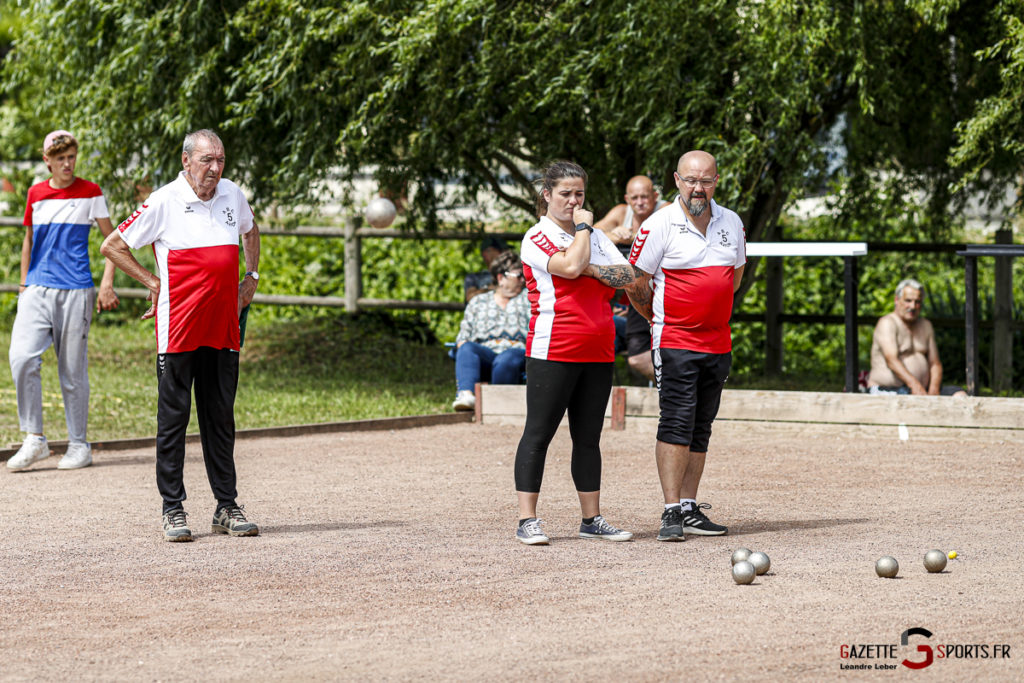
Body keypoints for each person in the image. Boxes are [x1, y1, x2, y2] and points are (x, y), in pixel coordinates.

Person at [100, 129, 261, 542]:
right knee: (173, 420)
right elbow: (112, 246)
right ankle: (173, 508)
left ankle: (226, 506)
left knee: (220, 418)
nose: (215, 168)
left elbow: (251, 230)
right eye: (207, 160)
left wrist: (251, 276)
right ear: (186, 160)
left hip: (223, 326)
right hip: (178, 330)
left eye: (221, 160)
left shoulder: (232, 195)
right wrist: (153, 283)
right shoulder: (164, 200)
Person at [624, 150, 746, 542]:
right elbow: (635, 284)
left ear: (716, 181)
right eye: (691, 180)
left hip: (717, 342)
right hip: (674, 339)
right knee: (676, 421)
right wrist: (659, 321)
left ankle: (691, 508)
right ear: (677, 180)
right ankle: (671, 510)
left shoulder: (733, 222)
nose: (698, 188)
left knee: (701, 426)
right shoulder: (660, 224)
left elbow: (735, 277)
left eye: (706, 181)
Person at [513, 160, 636, 545]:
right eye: (565, 193)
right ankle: (527, 520)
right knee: (539, 433)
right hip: (554, 347)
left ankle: (591, 518)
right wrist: (584, 235)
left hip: (599, 350)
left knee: (588, 437)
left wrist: (589, 265)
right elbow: (567, 267)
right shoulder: (537, 236)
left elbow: (627, 276)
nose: (573, 200)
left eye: (579, 194)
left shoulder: (596, 238)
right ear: (546, 195)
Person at [6, 130, 120, 472]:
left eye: (71, 157)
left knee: (72, 371)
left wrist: (106, 285)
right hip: (37, 289)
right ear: (48, 162)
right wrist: (24, 284)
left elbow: (114, 240)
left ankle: (79, 445)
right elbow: (29, 239)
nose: (67, 164)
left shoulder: (91, 192)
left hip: (76, 290)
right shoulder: (35, 193)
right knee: (22, 357)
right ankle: (35, 438)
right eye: (60, 159)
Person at [595, 176, 669, 381]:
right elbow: (591, 233)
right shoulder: (620, 212)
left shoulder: (666, 210)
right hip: (632, 291)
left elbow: (663, 235)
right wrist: (614, 235)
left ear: (655, 196)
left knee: (645, 355)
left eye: (644, 197)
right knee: (634, 355)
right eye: (634, 198)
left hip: (662, 291)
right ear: (627, 199)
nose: (639, 202)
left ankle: (679, 387)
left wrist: (634, 235)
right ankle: (677, 387)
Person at [451, 251, 530, 411]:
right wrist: (463, 344)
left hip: (516, 352)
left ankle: (498, 406)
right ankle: (467, 396)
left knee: (506, 360)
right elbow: (463, 337)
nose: (523, 280)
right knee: (466, 348)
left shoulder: (528, 299)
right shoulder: (478, 302)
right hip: (486, 353)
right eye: (519, 276)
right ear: (501, 278)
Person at [867, 279, 966, 397]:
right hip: (888, 389)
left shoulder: (926, 325)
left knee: (960, 395)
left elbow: (935, 363)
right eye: (908, 301)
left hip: (922, 391)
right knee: (910, 400)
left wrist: (934, 389)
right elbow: (891, 360)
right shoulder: (887, 323)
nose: (913, 306)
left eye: (917, 302)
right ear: (897, 300)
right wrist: (914, 385)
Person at [463, 236, 509, 301]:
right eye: (501, 250)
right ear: (486, 253)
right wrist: (492, 288)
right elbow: (470, 297)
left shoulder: (513, 274)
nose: (507, 254)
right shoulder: (474, 278)